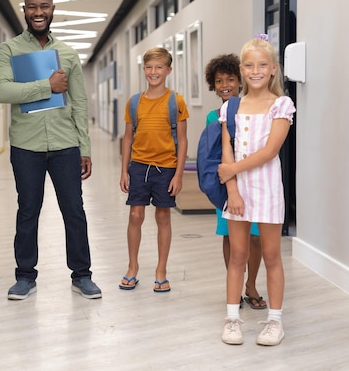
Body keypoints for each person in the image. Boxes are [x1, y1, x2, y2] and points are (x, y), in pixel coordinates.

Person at [0, 0, 101, 300]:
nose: (38, 13)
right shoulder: (8, 50)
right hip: (27, 146)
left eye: (44, 7)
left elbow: (79, 102)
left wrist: (85, 147)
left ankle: (82, 275)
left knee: (74, 210)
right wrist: (46, 86)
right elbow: (2, 92)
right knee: (28, 211)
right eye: (32, 7)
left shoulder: (67, 53)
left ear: (52, 9)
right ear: (23, 9)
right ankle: (25, 276)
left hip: (66, 144)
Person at [218, 35, 295, 346]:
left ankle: (275, 322)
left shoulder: (281, 105)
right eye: (249, 65)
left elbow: (270, 151)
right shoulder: (231, 107)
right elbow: (227, 150)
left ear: (273, 68)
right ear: (241, 69)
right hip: (237, 192)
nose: (256, 70)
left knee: (272, 254)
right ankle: (232, 318)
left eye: (263, 65)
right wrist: (232, 191)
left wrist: (232, 171)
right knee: (237, 254)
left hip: (267, 191)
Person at [118, 47, 189, 293]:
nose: (153, 72)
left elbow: (183, 140)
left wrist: (179, 174)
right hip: (138, 166)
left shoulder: (175, 102)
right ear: (144, 69)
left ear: (168, 70)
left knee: (162, 217)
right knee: (135, 216)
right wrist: (124, 170)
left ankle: (161, 270)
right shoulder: (134, 102)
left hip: (166, 168)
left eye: (159, 67)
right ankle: (132, 267)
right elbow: (127, 138)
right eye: (149, 67)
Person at [204, 54, 266, 310]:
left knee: (255, 237)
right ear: (213, 85)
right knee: (230, 236)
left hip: (255, 180)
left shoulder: (253, 109)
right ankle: (236, 286)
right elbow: (212, 152)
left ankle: (251, 284)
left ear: (240, 81)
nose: (225, 85)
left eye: (230, 79)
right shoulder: (213, 116)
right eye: (219, 81)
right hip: (226, 183)